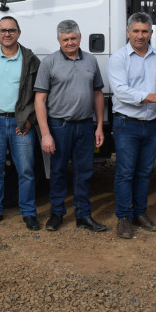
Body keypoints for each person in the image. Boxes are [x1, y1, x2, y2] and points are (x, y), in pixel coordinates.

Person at [34, 20, 107, 232]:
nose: (70, 43)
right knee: (57, 171)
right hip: (59, 126)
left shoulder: (91, 61)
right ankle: (57, 213)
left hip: (85, 126)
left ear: (80, 37)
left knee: (85, 171)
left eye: (73, 38)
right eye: (65, 39)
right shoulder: (49, 63)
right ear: (59, 40)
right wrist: (45, 134)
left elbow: (98, 94)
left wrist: (99, 126)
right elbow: (39, 100)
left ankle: (83, 215)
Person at [107, 12, 156, 239]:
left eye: (145, 31)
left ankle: (140, 213)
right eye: (135, 31)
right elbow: (121, 91)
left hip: (153, 125)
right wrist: (152, 98)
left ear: (151, 33)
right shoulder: (118, 58)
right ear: (128, 32)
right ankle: (124, 217)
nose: (140, 35)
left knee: (144, 173)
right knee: (125, 172)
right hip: (127, 124)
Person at [0, 16, 41, 231]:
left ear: (19, 33)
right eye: (3, 30)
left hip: (22, 124)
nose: (7, 34)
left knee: (27, 171)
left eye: (11, 30)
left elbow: (40, 94)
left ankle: (29, 213)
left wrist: (31, 120)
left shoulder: (30, 59)